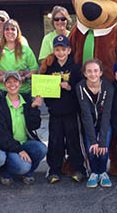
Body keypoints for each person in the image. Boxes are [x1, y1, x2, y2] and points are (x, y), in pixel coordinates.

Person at [40, 34, 85, 184]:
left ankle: (79, 169)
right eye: (57, 49)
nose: (60, 52)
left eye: (63, 49)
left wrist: (69, 87)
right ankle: (54, 170)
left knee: (73, 141)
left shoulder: (75, 67)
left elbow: (80, 89)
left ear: (69, 50)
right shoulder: (49, 67)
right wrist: (47, 102)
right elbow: (44, 87)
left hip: (71, 111)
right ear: (54, 50)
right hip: (55, 111)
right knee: (55, 141)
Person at [0, 71, 47, 185]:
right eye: (8, 82)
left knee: (42, 149)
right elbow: (1, 136)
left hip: (25, 142)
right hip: (8, 146)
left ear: (20, 84)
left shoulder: (26, 102)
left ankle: (29, 172)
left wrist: (34, 108)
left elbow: (35, 125)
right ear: (4, 85)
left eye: (15, 81)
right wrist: (19, 150)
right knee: (22, 166)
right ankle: (6, 172)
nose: (12, 84)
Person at [76, 59, 114, 188]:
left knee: (103, 149)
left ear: (101, 72)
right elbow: (86, 114)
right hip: (89, 123)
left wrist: (101, 140)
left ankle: (102, 172)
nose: (93, 74)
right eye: (89, 71)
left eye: (96, 71)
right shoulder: (80, 87)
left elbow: (107, 113)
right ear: (85, 73)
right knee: (91, 150)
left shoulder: (108, 87)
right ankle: (94, 172)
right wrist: (93, 140)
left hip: (104, 123)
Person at [0, 19, 38, 101]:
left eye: (13, 29)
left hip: (22, 91)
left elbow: (34, 69)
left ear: (17, 32)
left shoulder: (25, 49)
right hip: (2, 90)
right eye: (7, 29)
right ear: (3, 32)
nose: (10, 32)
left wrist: (24, 78)